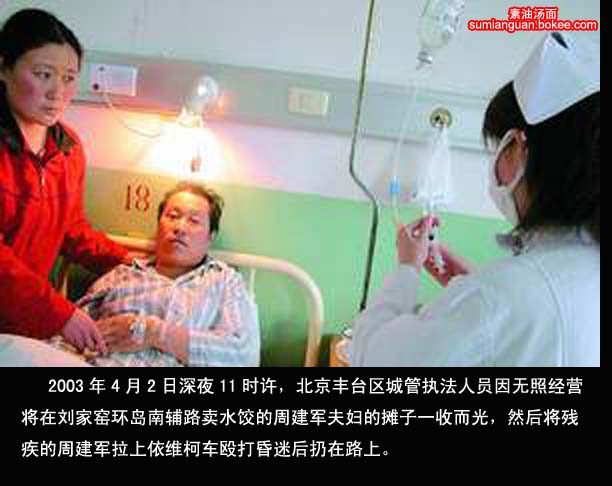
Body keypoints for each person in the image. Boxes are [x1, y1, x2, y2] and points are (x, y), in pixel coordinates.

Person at [350, 31, 600, 367]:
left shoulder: (497, 298)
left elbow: (373, 360)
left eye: (500, 144)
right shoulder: (580, 272)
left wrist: (407, 269)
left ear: (519, 147)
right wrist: (472, 287)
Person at [0, 9, 131, 354]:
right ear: (3, 69)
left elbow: (72, 230)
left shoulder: (67, 149)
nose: (57, 92)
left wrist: (128, 264)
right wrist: (61, 314)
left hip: (25, 324)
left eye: (69, 78)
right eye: (43, 75)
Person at [48, 182, 260, 367]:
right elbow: (68, 334)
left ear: (210, 237)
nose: (180, 227)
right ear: (159, 226)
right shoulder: (123, 274)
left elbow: (243, 356)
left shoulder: (224, 281)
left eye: (194, 221)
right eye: (173, 216)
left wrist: (151, 331)